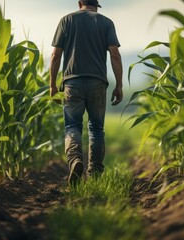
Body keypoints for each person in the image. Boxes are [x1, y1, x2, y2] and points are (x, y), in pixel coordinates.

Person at [49, 0, 123, 186]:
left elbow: (55, 55)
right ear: (96, 5)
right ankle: (95, 173)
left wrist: (52, 85)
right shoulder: (106, 22)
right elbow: (115, 54)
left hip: (71, 83)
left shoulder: (66, 20)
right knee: (96, 129)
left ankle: (75, 161)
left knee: (72, 127)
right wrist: (119, 85)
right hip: (97, 83)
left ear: (79, 2)